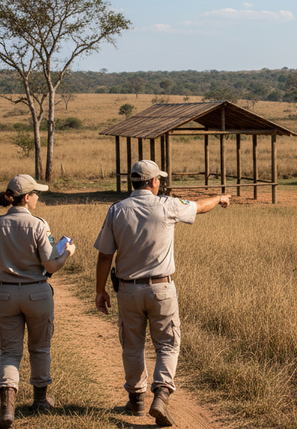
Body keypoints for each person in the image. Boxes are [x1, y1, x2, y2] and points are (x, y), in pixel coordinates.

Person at [94, 160, 230, 427]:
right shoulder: (168, 205)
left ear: (133, 182)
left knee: (132, 345)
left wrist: (100, 290)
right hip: (162, 288)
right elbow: (200, 207)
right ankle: (162, 394)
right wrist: (220, 197)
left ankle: (136, 400)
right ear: (154, 182)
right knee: (168, 343)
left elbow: (104, 255)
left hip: (128, 291)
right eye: (160, 180)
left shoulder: (116, 211)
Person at [0, 174, 76, 429]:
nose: (37, 197)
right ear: (26, 197)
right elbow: (50, 264)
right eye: (35, 193)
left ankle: (7, 406)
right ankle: (41, 400)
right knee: (40, 347)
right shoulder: (38, 224)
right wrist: (66, 254)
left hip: (5, 293)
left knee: (9, 351)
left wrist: (7, 276)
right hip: (37, 293)